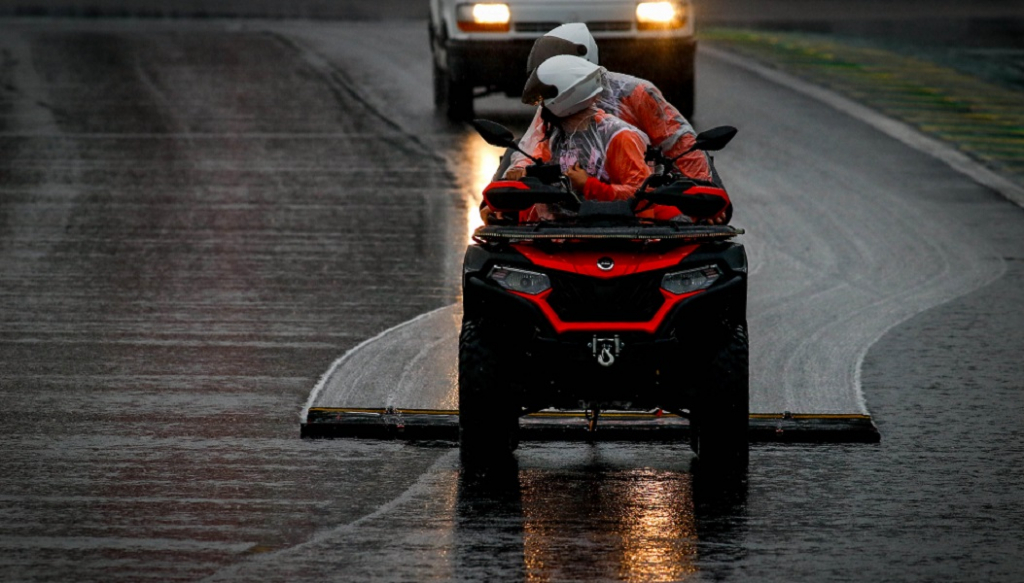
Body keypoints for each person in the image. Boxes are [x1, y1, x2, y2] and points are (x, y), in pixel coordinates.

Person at [504, 23, 730, 223]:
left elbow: (680, 144)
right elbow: (531, 149)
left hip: (637, 202)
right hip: (570, 202)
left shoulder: (636, 94)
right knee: (511, 154)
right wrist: (515, 178)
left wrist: (707, 198)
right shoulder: (555, 105)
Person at [493, 54, 663, 222]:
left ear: (567, 97)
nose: (543, 106)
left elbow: (642, 195)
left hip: (618, 233)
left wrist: (589, 186)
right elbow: (536, 163)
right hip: (557, 232)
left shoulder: (619, 138)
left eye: (546, 96)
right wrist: (520, 175)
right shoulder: (554, 135)